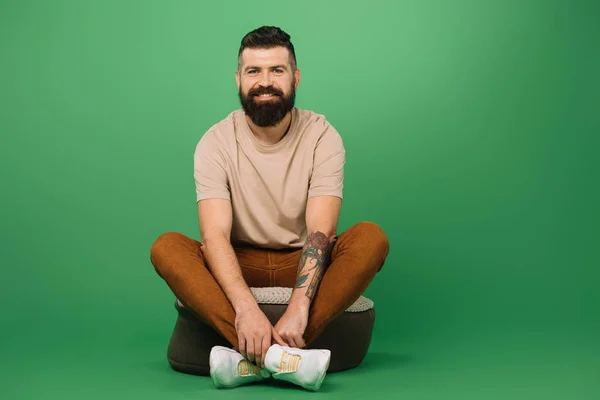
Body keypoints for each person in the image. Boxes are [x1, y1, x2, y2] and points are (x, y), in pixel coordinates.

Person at [150, 26, 390, 391]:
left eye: (276, 70)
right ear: (238, 79)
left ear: (295, 77)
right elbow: (214, 237)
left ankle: (253, 360)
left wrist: (297, 309)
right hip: (240, 260)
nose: (265, 82)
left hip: (301, 258)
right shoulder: (215, 142)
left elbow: (320, 233)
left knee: (371, 238)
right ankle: (283, 359)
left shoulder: (323, 135)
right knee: (167, 247)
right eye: (253, 72)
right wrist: (246, 311)